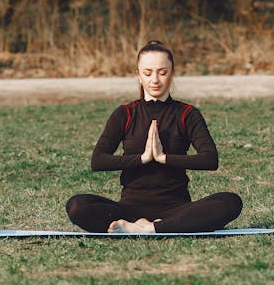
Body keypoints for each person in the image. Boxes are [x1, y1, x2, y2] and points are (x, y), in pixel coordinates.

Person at [66, 41, 243, 233]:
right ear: (138, 75)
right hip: (129, 209)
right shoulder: (125, 113)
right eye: (148, 73)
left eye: (162, 72)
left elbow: (210, 159)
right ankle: (149, 225)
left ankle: (151, 228)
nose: (155, 80)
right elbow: (98, 160)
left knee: (230, 202)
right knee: (77, 206)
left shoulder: (187, 114)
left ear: (172, 73)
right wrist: (142, 158)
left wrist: (163, 158)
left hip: (176, 208)